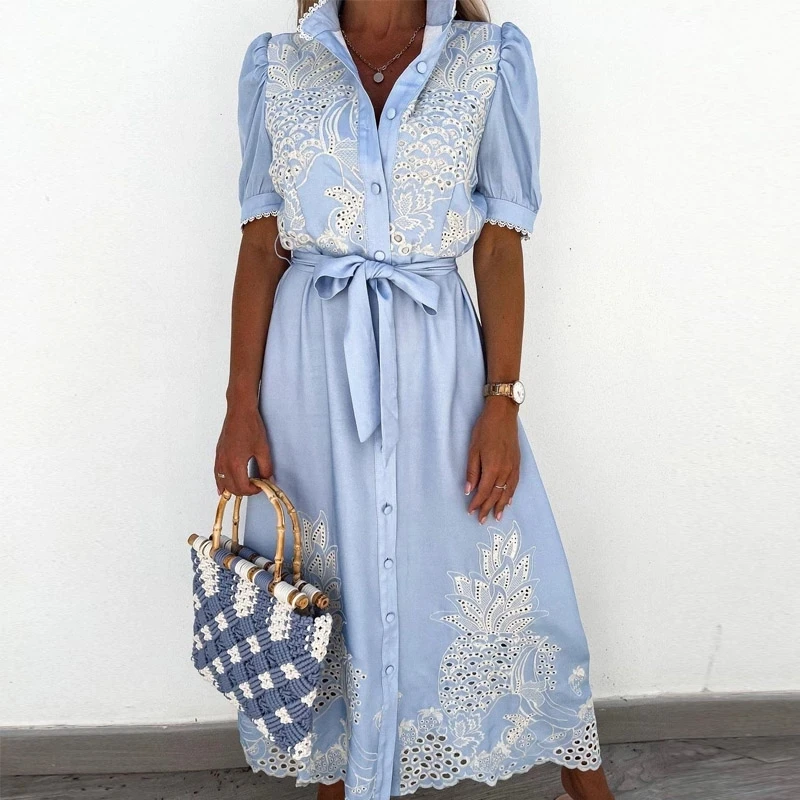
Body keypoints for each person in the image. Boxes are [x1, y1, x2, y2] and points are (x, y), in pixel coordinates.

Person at [214, 1, 614, 798]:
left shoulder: (487, 59)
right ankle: (341, 777)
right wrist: (239, 404)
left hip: (441, 365)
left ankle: (583, 777)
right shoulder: (278, 66)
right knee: (324, 586)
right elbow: (261, 248)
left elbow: (498, 246)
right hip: (308, 374)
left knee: (504, 569)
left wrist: (503, 400)